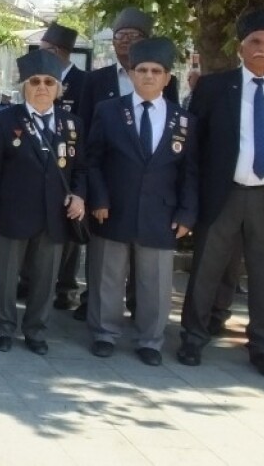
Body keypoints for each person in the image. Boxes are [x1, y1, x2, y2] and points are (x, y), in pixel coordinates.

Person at [176, 9, 264, 380]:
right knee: (207, 269)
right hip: (223, 194)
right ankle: (192, 336)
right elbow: (193, 149)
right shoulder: (213, 88)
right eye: (255, 42)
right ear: (241, 48)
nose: (262, 49)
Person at [85, 37, 198, 365]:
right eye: (142, 70)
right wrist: (99, 198)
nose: (148, 76)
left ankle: (150, 340)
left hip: (160, 213)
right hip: (113, 209)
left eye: (156, 71)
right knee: (108, 275)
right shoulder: (109, 112)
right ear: (132, 74)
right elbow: (93, 161)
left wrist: (187, 213)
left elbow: (191, 172)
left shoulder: (183, 120)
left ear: (167, 78)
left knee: (156, 282)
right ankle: (105, 332)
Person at [0, 49, 86, 354]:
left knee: (45, 278)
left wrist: (79, 195)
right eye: (35, 81)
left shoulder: (72, 124)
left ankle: (36, 330)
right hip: (11, 213)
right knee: (3, 275)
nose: (42, 87)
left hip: (54, 216)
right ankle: (2, 327)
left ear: (58, 88)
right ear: (25, 85)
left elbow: (81, 169)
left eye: (49, 82)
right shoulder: (4, 121)